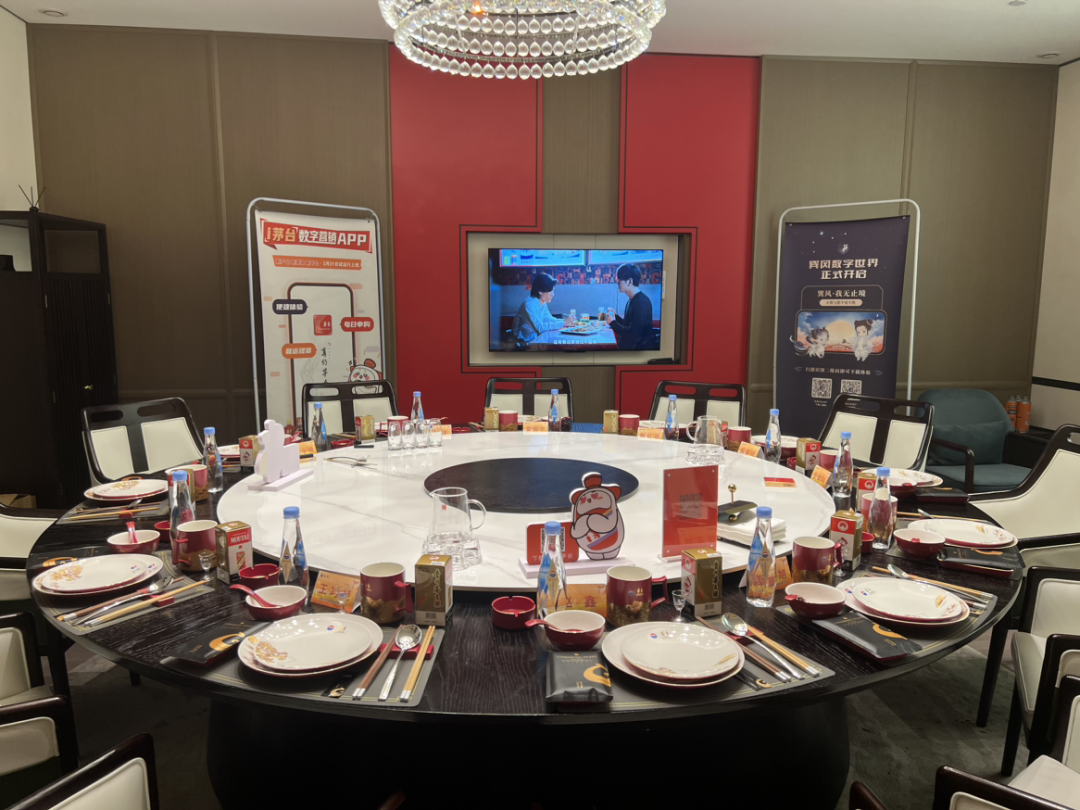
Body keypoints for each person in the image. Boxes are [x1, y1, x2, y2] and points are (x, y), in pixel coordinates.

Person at [511, 272, 569, 342]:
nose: (553, 294)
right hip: (523, 344)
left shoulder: (543, 303)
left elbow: (550, 319)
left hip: (535, 341)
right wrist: (563, 323)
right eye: (550, 291)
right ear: (540, 291)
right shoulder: (529, 304)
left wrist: (566, 322)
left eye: (553, 291)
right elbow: (539, 328)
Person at [607, 264, 654, 350]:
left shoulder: (641, 303)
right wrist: (615, 317)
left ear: (629, 281)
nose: (617, 283)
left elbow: (631, 335)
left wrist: (613, 323)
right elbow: (628, 325)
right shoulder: (633, 299)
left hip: (636, 352)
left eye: (619, 280)